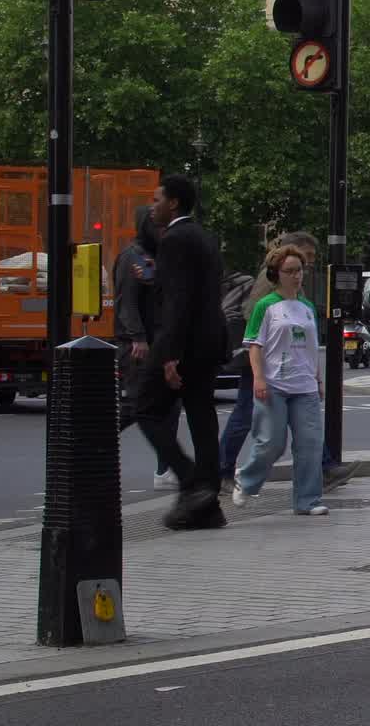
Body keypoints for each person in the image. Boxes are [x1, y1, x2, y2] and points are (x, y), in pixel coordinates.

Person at [229, 231, 355, 494]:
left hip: (292, 370)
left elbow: (308, 343)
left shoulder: (301, 296)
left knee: (306, 433)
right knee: (258, 430)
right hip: (268, 364)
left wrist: (315, 378)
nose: (307, 266)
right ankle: (228, 471)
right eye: (306, 257)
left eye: (306, 263)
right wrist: (263, 367)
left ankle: (317, 481)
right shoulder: (270, 283)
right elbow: (255, 317)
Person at [137, 175, 228, 531]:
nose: (152, 205)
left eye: (157, 198)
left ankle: (191, 482)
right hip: (210, 340)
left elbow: (177, 301)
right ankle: (207, 501)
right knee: (201, 414)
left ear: (173, 203)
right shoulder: (206, 238)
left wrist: (169, 355)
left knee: (144, 407)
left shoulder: (173, 240)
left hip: (183, 342)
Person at [230, 246, 327, 515]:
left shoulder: (307, 308)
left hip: (304, 385)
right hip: (274, 384)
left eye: (300, 270)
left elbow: (311, 346)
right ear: (276, 274)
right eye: (290, 271)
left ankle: (308, 501)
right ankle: (246, 480)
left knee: (310, 444)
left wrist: (317, 379)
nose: (296, 276)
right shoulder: (266, 306)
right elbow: (254, 345)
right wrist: (259, 379)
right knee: (271, 443)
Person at [115, 209, 180, 486]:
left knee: (170, 406)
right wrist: (137, 337)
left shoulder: (159, 257)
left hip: (160, 343)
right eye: (159, 226)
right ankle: (90, 446)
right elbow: (126, 302)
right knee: (135, 406)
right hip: (138, 346)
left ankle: (164, 469)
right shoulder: (132, 257)